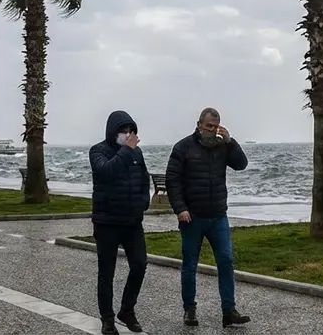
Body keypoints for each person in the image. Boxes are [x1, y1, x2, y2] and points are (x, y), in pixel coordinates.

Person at [166, 107, 251, 329]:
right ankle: (189, 309)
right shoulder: (183, 147)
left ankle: (229, 311)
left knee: (226, 260)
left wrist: (231, 142)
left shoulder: (222, 146)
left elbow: (241, 165)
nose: (212, 131)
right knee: (190, 264)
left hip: (218, 215)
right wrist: (180, 208)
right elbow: (172, 180)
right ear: (199, 124)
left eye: (216, 127)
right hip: (192, 217)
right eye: (208, 126)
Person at [89, 111, 151, 334]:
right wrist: (126, 150)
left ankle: (127, 309)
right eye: (123, 130)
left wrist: (144, 203)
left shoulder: (137, 153)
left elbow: (144, 180)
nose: (127, 134)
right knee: (107, 272)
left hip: (132, 221)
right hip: (107, 221)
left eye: (130, 130)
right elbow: (106, 172)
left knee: (140, 264)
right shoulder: (98, 151)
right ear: (113, 131)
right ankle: (107, 318)